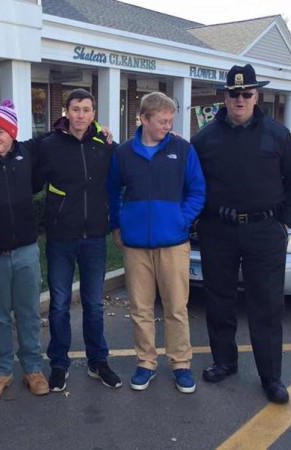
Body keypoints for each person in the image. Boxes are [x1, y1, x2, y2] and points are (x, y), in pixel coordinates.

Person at [191, 64, 291, 404]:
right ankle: (224, 361)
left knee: (267, 305)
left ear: (257, 96)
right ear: (224, 97)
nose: (240, 99)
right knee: (219, 300)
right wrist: (198, 222)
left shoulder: (277, 135)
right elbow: (192, 184)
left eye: (247, 93)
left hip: (264, 231)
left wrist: (284, 223)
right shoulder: (204, 138)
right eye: (234, 93)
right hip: (218, 231)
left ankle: (271, 376)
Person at [108, 92, 205, 394]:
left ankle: (181, 364)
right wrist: (117, 224)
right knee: (140, 308)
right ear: (144, 119)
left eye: (170, 121)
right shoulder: (123, 153)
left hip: (174, 243)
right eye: (162, 120)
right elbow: (112, 192)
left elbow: (198, 190)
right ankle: (146, 363)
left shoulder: (183, 149)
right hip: (136, 245)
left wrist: (181, 219)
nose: (167, 125)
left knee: (176, 307)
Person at [34, 88, 121, 392]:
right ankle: (59, 363)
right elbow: (29, 176)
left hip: (95, 237)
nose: (81, 115)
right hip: (61, 238)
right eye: (75, 109)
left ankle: (99, 361)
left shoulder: (105, 145)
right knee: (58, 305)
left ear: (94, 113)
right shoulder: (49, 145)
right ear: (66, 112)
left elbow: (125, 174)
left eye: (86, 109)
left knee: (93, 305)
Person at [0, 100, 49, 399]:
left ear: (13, 133)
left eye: (1, 131)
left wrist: (102, 133)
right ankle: (2, 370)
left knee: (29, 313)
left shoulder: (27, 155)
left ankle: (33, 368)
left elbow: (59, 136)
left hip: (26, 251)